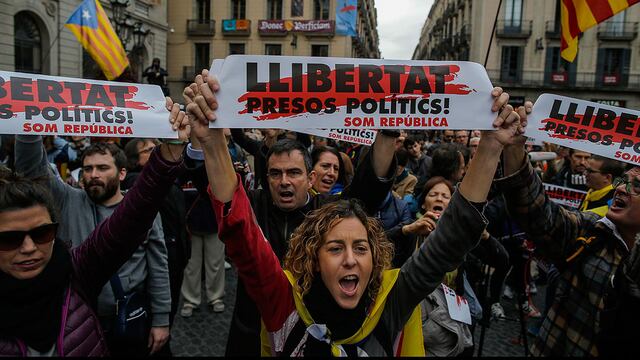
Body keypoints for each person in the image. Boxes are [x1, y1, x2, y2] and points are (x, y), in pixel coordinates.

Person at [192, 82, 523, 356]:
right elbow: (240, 231)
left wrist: (492, 146)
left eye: (361, 248)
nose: (350, 260)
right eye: (335, 248)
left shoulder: (390, 303)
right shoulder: (285, 303)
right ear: (313, 260)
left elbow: (454, 236)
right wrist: (211, 142)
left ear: (376, 256)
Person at [183, 70, 399, 356]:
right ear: (267, 178)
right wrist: (204, 140)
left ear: (310, 178)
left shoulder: (328, 213)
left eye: (293, 173)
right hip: (251, 329)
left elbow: (368, 190)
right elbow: (215, 187)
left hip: (311, 333)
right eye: (275, 173)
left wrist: (390, 125)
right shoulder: (252, 203)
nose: (284, 181)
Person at [0, 103, 188, 356]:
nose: (28, 247)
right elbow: (31, 172)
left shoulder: (133, 215)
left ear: (122, 173)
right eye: (87, 169)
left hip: (129, 318)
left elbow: (156, 261)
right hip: (85, 317)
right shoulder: (68, 199)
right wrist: (29, 121)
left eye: (42, 234)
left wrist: (161, 319)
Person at [496, 106, 640, 356]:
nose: (622, 189)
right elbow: (533, 210)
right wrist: (514, 147)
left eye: (636, 186)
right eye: (623, 182)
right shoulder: (592, 232)